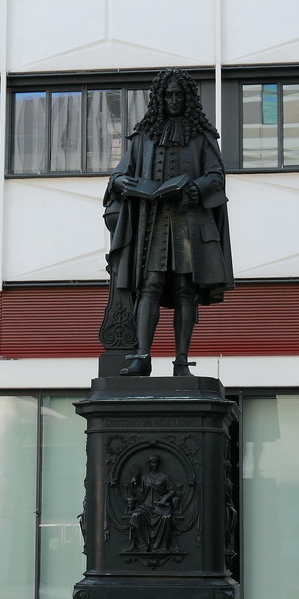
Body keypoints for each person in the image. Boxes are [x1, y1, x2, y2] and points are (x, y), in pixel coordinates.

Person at [104, 67, 233, 377]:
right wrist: (129, 185)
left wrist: (194, 187)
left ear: (187, 98)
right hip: (153, 224)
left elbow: (216, 177)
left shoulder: (201, 137)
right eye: (168, 94)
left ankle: (181, 361)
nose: (173, 100)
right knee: (149, 286)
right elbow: (118, 175)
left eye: (179, 94)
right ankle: (142, 355)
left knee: (184, 290)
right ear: (159, 98)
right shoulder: (143, 137)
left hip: (189, 224)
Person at [123, 454, 181, 554]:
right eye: (152, 462)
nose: (154, 464)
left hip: (160, 507)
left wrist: (164, 499)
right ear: (149, 464)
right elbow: (137, 493)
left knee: (166, 518)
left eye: (156, 462)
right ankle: (142, 544)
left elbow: (172, 490)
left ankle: (162, 547)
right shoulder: (145, 477)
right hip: (146, 506)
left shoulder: (164, 477)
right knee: (136, 516)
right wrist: (134, 483)